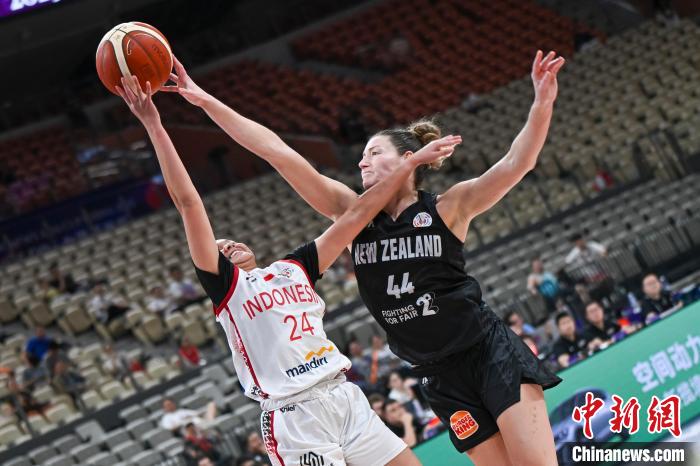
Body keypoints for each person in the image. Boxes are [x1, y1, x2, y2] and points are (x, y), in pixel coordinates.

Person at [166, 49, 566, 465]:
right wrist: (204, 100)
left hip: (486, 350)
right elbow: (277, 152)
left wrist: (541, 102)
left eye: (374, 152)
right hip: (438, 375)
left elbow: (517, 163)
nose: (362, 161)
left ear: (408, 159)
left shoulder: (449, 207)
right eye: (362, 155)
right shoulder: (352, 216)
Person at [117, 75, 453, 466]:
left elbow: (357, 214)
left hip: (343, 395)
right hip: (294, 415)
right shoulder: (229, 289)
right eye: (220, 249)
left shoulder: (294, 267)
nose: (229, 246)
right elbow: (188, 202)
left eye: (231, 240)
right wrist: (154, 124)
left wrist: (409, 164)